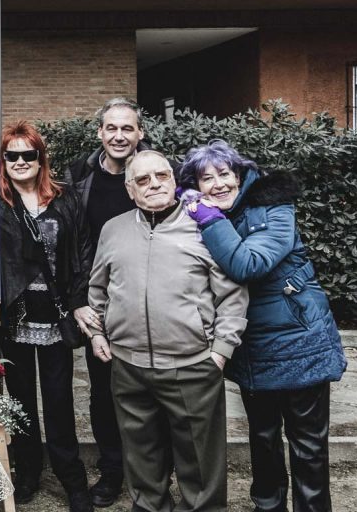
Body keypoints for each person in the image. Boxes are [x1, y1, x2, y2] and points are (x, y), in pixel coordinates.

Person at [179, 140, 346, 512]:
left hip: (299, 340)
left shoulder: (273, 208)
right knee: (264, 438)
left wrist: (208, 217)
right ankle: (267, 506)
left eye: (225, 174)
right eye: (206, 178)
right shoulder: (205, 215)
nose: (218, 184)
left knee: (308, 445)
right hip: (253, 346)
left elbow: (248, 264)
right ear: (195, 185)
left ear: (240, 176)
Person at [87, 151, 249, 512]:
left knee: (199, 461)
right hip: (128, 365)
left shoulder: (206, 226)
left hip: (192, 364)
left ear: (175, 181)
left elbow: (232, 295)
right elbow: (97, 289)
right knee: (141, 456)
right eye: (142, 180)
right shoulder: (113, 229)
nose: (154, 184)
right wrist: (98, 333)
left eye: (161, 175)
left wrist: (221, 350)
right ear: (130, 190)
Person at [0, 121, 94, 511]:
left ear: (40, 158)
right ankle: (29, 473)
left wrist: (80, 299)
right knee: (19, 401)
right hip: (15, 318)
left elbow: (83, 252)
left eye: (28, 154)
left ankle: (72, 479)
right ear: (3, 161)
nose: (20, 162)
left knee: (58, 402)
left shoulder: (65, 200)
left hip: (55, 318)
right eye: (12, 155)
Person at [63, 97, 146, 507]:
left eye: (127, 128)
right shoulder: (79, 175)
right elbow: (70, 245)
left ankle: (152, 476)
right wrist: (79, 301)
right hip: (101, 304)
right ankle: (113, 472)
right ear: (100, 133)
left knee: (153, 394)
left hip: (149, 301)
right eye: (111, 128)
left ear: (139, 134)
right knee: (104, 393)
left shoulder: (157, 173)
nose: (118, 136)